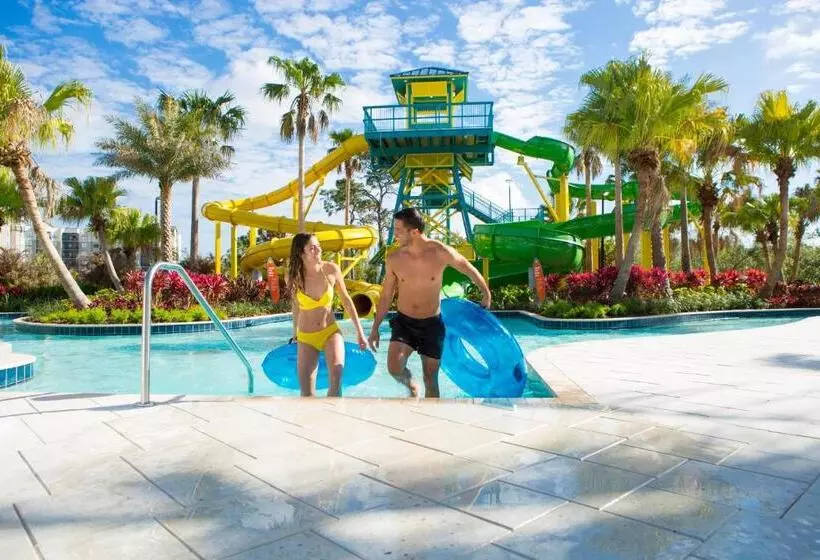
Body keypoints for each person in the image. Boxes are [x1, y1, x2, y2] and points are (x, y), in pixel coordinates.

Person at [368, 208, 492, 398]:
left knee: (430, 379)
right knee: (394, 368)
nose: (395, 234)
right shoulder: (394, 259)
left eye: (399, 230)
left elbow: (468, 269)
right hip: (404, 322)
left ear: (414, 232)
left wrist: (486, 293)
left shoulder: (440, 252)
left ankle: (431, 413)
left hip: (432, 325)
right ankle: (411, 385)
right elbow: (386, 296)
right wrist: (375, 328)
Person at [288, 233, 368, 397]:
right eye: (312, 248)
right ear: (301, 253)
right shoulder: (293, 276)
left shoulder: (331, 270)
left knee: (336, 379)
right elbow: (296, 306)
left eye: (318, 246)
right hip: (306, 337)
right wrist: (294, 333)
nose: (318, 250)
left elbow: (347, 301)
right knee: (307, 394)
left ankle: (334, 412)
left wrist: (360, 333)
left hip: (330, 332)